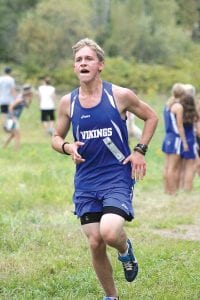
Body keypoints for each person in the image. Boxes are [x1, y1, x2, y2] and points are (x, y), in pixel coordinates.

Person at [51, 38, 158, 300]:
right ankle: (111, 297)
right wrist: (67, 147)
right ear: (74, 68)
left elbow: (151, 116)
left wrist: (139, 150)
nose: (83, 63)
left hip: (116, 176)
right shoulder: (69, 102)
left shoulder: (119, 95)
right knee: (95, 242)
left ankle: (125, 249)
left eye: (88, 59)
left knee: (109, 232)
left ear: (100, 65)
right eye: (78, 60)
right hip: (86, 180)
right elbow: (55, 137)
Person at [162, 83, 188, 195]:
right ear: (183, 94)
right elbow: (180, 126)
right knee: (173, 167)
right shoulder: (179, 107)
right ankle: (173, 192)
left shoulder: (167, 105)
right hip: (176, 138)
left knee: (167, 167)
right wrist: (185, 142)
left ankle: (167, 190)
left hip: (168, 136)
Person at [178, 91, 199, 191]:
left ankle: (181, 187)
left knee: (182, 166)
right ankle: (187, 188)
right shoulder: (194, 114)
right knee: (190, 166)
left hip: (180, 141)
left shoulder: (179, 113)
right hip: (190, 141)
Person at [3, 84, 33, 151]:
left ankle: (4, 147)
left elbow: (27, 106)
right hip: (12, 117)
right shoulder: (20, 99)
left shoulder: (23, 99)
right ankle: (16, 150)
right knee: (17, 134)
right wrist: (13, 118)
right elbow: (10, 107)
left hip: (14, 117)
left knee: (13, 135)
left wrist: (30, 99)